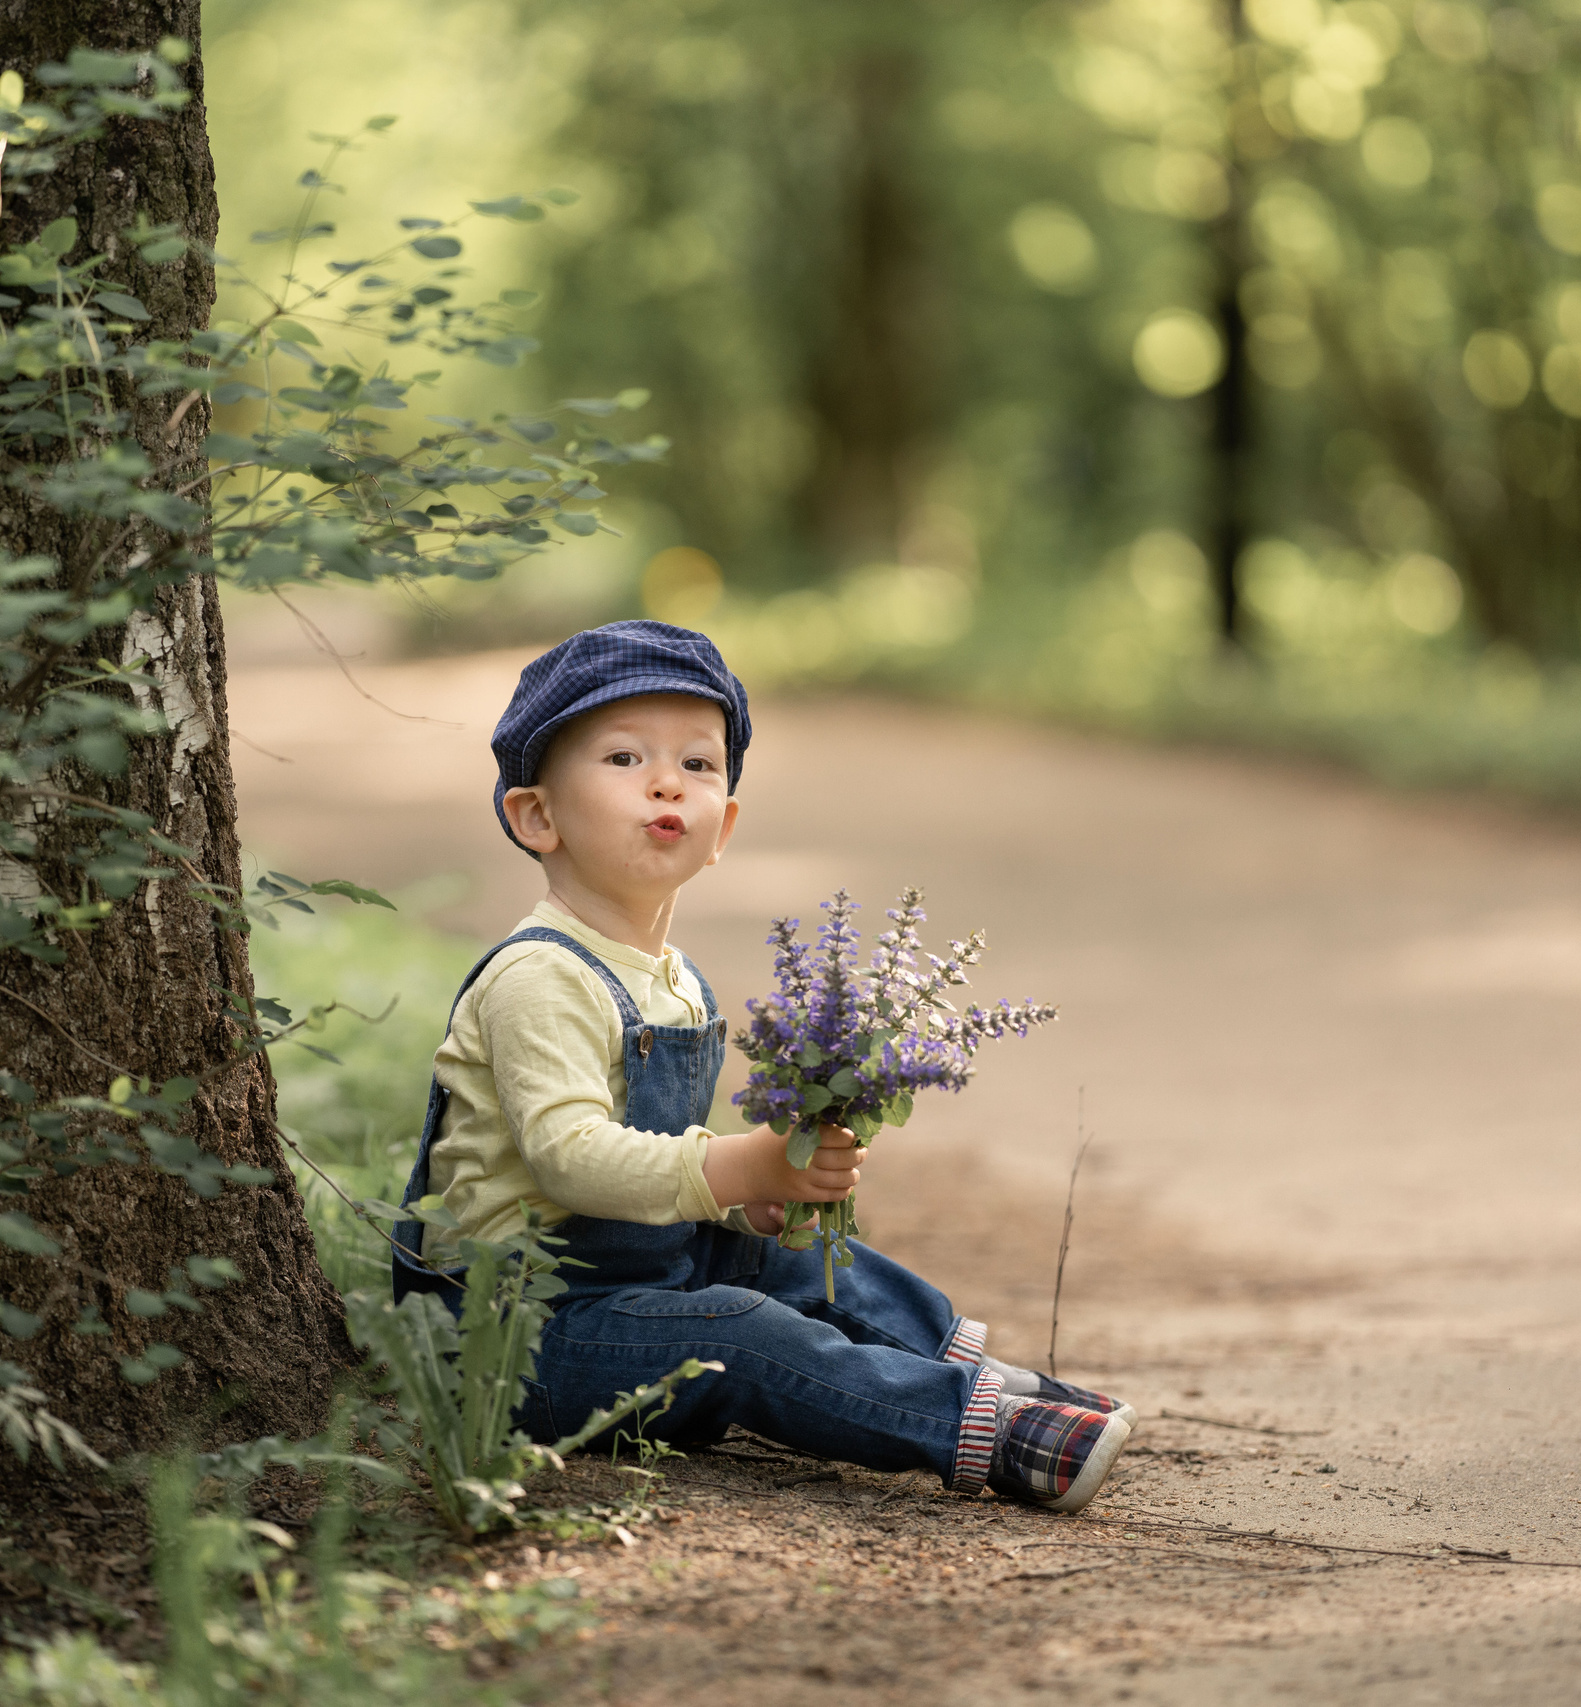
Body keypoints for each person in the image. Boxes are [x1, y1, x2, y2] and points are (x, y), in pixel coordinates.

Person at [391, 620, 1135, 1512]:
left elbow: (663, 1168)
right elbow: (569, 1156)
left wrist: (754, 1193)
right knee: (737, 1334)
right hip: (519, 1337)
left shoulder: (677, 980)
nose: (667, 780)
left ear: (722, 830)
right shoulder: (539, 976)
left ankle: (969, 1369)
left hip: (629, 1283)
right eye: (625, 758)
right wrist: (734, 1163)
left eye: (698, 766)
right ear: (536, 814)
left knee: (785, 1256)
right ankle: (975, 1429)